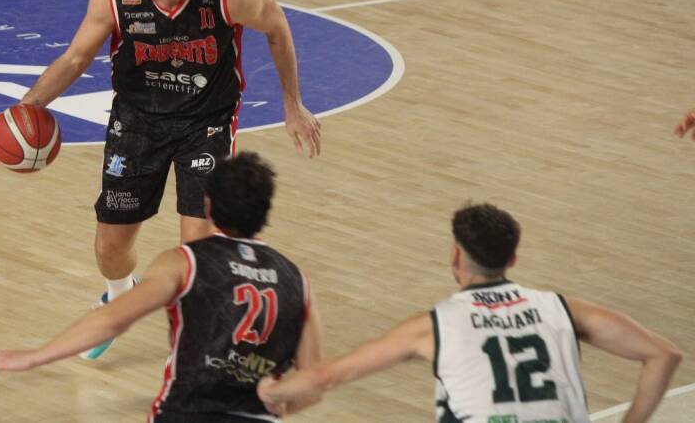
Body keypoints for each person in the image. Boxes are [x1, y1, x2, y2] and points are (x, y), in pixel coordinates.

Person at [18, 0, 322, 359]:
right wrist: (29, 106)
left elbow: (276, 26)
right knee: (111, 243)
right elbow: (75, 58)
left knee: (198, 246)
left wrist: (293, 105)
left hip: (207, 123)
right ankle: (119, 299)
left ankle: (192, 341)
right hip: (138, 122)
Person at [0, 152, 324, 422]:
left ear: (208, 205)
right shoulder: (296, 280)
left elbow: (112, 320)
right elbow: (314, 384)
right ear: (266, 210)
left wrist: (33, 357)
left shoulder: (185, 263)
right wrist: (275, 404)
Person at [257, 203, 683, 422]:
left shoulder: (435, 325)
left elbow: (331, 375)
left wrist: (273, 392)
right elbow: (665, 355)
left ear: (455, 256)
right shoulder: (564, 309)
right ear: (513, 258)